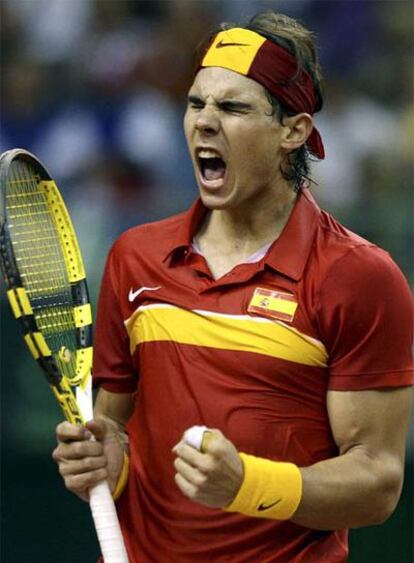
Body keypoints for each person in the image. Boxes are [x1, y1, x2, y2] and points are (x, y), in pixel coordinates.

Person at [53, 11, 413, 563]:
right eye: (196, 103)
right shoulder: (135, 258)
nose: (203, 122)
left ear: (292, 131)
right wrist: (102, 464)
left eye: (233, 107)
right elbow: (114, 431)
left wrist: (248, 485)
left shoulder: (359, 277)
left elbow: (377, 482)